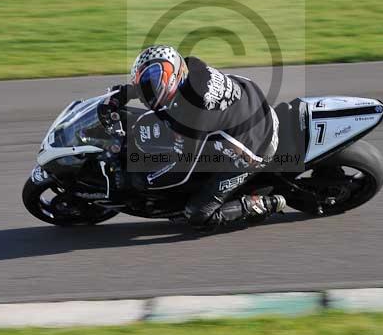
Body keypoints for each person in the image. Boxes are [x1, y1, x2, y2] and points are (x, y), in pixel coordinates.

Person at [103, 45, 285, 229]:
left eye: (155, 80)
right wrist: (125, 93)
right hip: (251, 108)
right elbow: (156, 86)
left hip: (257, 149)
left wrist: (142, 180)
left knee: (198, 214)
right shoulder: (190, 65)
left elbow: (181, 170)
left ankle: (262, 203)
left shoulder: (193, 116)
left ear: (173, 76)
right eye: (146, 82)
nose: (149, 88)